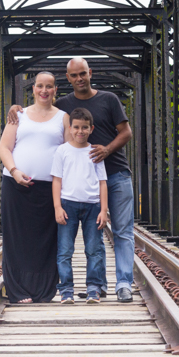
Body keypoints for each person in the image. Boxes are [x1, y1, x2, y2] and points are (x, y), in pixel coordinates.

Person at [9, 57, 134, 302]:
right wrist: (16, 108)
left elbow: (126, 132)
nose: (79, 79)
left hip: (115, 173)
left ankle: (123, 283)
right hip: (81, 182)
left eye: (83, 74)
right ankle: (94, 286)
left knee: (121, 232)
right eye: (74, 75)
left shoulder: (109, 99)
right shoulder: (65, 105)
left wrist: (106, 150)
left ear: (90, 73)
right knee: (88, 242)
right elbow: (42, 109)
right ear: (67, 79)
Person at [0, 72, 68, 303]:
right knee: (16, 238)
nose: (44, 91)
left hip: (48, 189)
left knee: (46, 241)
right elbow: (4, 148)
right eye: (40, 86)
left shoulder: (63, 117)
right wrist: (15, 171)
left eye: (49, 86)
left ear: (55, 90)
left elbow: (69, 152)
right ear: (34, 89)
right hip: (15, 184)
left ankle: (43, 290)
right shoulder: (19, 114)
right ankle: (17, 290)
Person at [51, 107, 109, 305]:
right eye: (76, 127)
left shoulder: (94, 151)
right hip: (68, 205)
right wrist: (57, 207)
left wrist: (103, 210)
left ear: (91, 128)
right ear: (70, 127)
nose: (80, 131)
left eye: (85, 127)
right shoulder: (62, 151)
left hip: (93, 206)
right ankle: (66, 290)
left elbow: (102, 182)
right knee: (65, 250)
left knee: (94, 249)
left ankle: (93, 289)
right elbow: (57, 180)